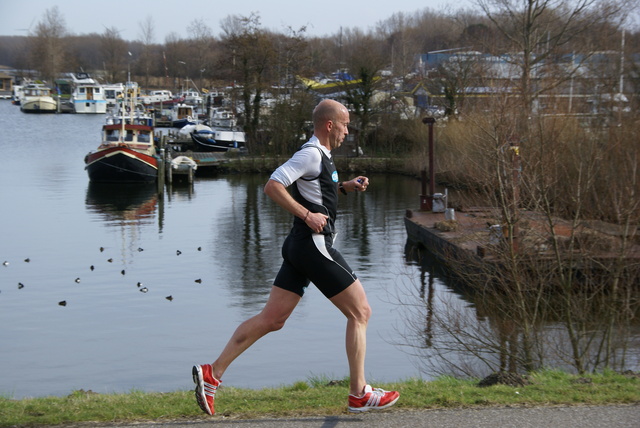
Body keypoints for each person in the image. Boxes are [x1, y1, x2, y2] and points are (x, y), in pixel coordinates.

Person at [192, 99, 399, 415]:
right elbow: (273, 185)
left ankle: (212, 373)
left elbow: (318, 190)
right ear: (329, 125)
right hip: (313, 244)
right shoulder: (310, 154)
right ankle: (359, 394)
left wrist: (346, 186)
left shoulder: (323, 157)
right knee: (361, 312)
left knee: (272, 319)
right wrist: (306, 214)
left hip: (298, 247)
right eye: (345, 125)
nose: (347, 131)